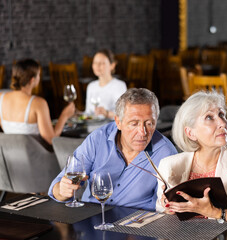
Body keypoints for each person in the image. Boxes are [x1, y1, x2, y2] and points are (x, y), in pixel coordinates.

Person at [49, 88, 177, 210]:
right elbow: (57, 189)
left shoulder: (166, 152)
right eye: (134, 124)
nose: (142, 132)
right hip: (90, 217)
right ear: (118, 122)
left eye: (149, 124)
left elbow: (168, 206)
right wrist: (62, 190)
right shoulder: (98, 139)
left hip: (137, 224)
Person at [156, 91, 227, 227]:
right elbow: (161, 210)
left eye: (221, 114)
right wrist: (168, 208)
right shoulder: (168, 165)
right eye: (209, 117)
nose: (222, 123)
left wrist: (217, 213)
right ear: (190, 133)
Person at [0, 59, 75, 145]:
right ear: (32, 80)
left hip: (9, 155)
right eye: (39, 75)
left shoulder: (0, 98)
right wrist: (64, 116)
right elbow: (52, 140)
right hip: (34, 156)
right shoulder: (38, 103)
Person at [84, 49, 127, 119]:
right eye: (95, 63)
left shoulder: (119, 86)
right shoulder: (91, 86)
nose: (97, 66)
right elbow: (87, 113)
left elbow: (124, 115)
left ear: (112, 65)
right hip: (93, 128)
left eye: (102, 63)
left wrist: (107, 113)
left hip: (111, 128)